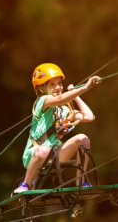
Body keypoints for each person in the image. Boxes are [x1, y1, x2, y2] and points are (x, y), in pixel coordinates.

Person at [13, 63, 101, 193]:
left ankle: (80, 181)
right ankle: (26, 183)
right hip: (35, 154)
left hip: (55, 155)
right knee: (42, 150)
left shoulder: (64, 110)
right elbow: (60, 99)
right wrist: (86, 87)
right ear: (42, 89)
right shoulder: (42, 101)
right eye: (52, 85)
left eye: (59, 83)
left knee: (83, 139)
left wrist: (76, 96)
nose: (58, 87)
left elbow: (89, 116)